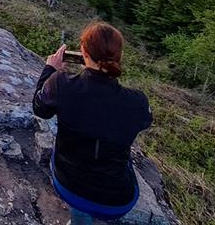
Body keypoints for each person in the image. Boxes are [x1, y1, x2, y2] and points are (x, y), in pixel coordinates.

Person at [33, 21, 152, 225]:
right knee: (124, 163)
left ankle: (80, 219)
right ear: (119, 56)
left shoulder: (61, 84)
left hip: (69, 186)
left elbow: (40, 109)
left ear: (83, 52)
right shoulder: (137, 101)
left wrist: (50, 69)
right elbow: (145, 122)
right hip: (117, 201)